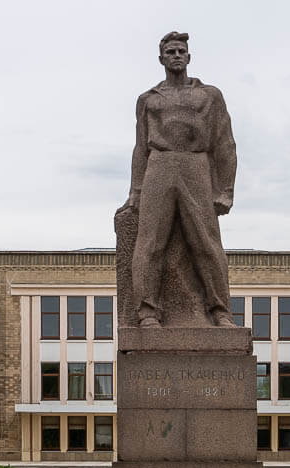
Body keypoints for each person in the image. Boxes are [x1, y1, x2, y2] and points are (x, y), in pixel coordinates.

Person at [120, 31, 237, 328]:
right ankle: (147, 311)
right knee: (150, 242)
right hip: (159, 164)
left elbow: (225, 143)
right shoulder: (148, 99)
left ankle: (220, 311)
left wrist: (226, 189)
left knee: (206, 242)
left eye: (180, 51)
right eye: (170, 52)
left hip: (195, 164)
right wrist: (136, 189)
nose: (175, 56)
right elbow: (140, 146)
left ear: (188, 57)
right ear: (161, 59)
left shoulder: (209, 95)